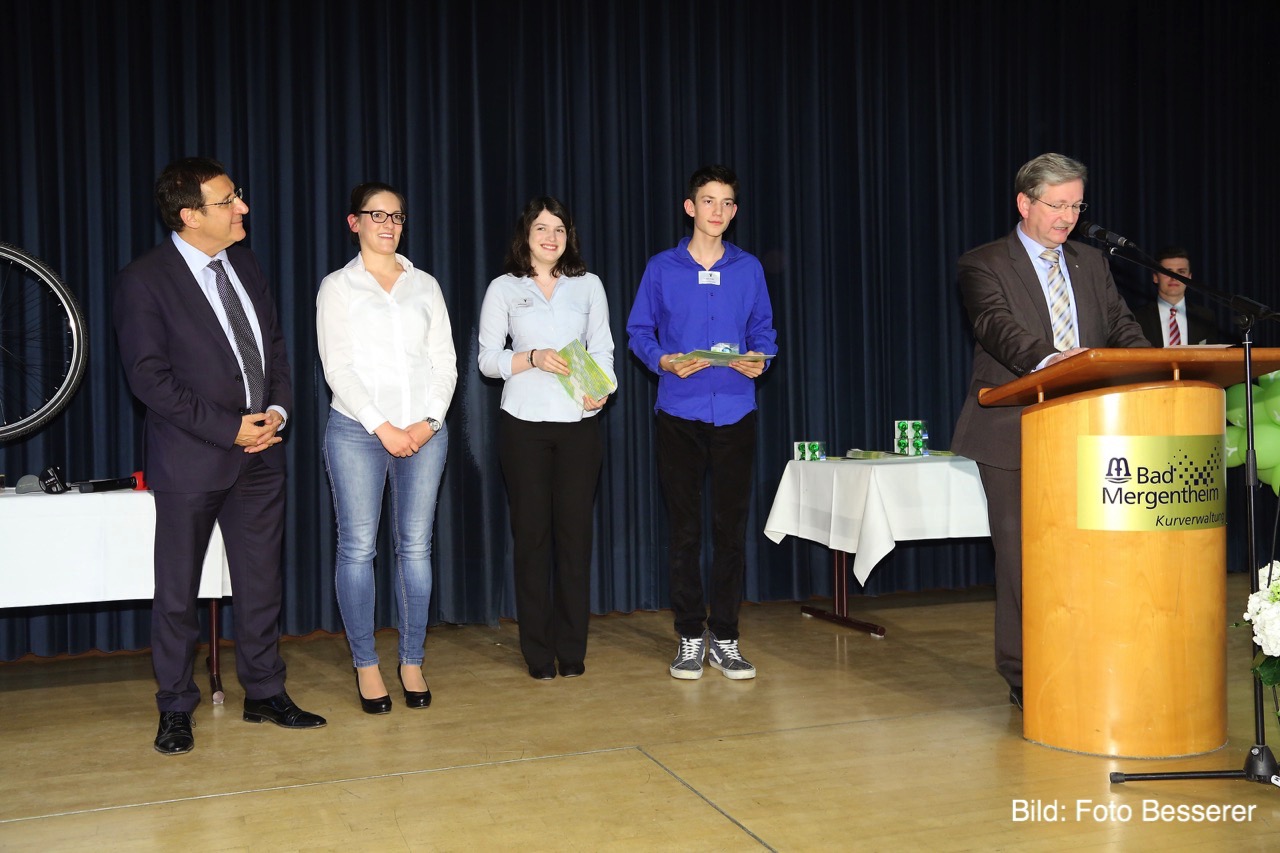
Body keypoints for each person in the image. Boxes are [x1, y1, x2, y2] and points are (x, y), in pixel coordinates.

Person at [114, 157, 326, 755]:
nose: (243, 208)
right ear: (190, 215)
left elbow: (274, 347)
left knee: (261, 583)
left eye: (238, 196)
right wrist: (230, 429)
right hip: (191, 459)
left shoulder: (246, 264)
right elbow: (149, 379)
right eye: (228, 200)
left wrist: (277, 412)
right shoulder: (144, 280)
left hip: (262, 452)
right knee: (177, 593)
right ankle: (175, 706)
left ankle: (264, 691)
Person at [951, 153, 1149, 710]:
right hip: (1011, 427)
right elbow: (996, 326)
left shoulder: (1091, 261)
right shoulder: (983, 262)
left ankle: (1086, 653)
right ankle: (1025, 671)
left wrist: (1151, 366)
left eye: (1076, 206)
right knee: (1021, 556)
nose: (1068, 218)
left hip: (1091, 427)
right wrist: (1053, 361)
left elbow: (1121, 325)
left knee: (1090, 551)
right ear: (1025, 203)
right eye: (1057, 205)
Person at [626, 164, 777, 682]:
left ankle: (726, 637)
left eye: (727, 202)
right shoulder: (661, 268)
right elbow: (639, 330)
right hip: (679, 414)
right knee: (685, 532)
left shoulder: (749, 268)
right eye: (708, 201)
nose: (718, 210)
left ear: (734, 212)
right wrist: (662, 361)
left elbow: (764, 330)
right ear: (690, 207)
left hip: (735, 411)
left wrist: (760, 358)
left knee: (730, 532)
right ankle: (690, 634)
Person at [317, 182, 457, 714]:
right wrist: (383, 427)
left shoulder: (425, 285)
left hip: (425, 431)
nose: (388, 224)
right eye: (377, 215)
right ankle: (366, 664)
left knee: (415, 548)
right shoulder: (338, 287)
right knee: (357, 549)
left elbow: (445, 363)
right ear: (354, 222)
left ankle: (412, 660)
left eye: (396, 216)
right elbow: (338, 368)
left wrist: (428, 422)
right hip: (357, 431)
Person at [477, 197, 614, 681]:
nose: (550, 237)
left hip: (579, 425)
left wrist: (603, 389)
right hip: (523, 427)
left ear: (568, 236)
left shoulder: (588, 285)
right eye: (541, 228)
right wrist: (531, 357)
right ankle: (537, 652)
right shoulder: (503, 288)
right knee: (532, 540)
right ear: (526, 235)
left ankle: (572, 650)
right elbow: (487, 360)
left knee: (574, 541)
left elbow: (603, 349)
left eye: (559, 228)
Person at [1133, 246, 1225, 346]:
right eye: (1167, 272)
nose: (1174, 278)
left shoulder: (1204, 317)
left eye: (1181, 272)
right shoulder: (1137, 318)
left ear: (1189, 277)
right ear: (1155, 277)